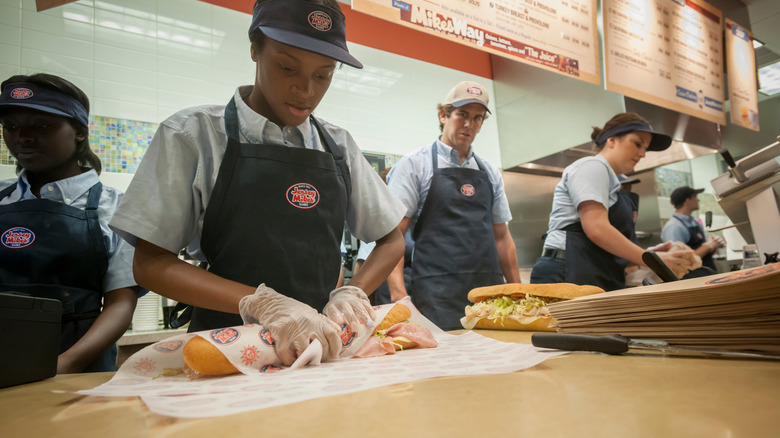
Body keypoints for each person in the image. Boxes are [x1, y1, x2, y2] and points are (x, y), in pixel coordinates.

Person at [108, 0, 405, 366]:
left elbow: (391, 239)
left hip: (324, 350)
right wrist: (262, 303)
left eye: (323, 75)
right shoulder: (193, 135)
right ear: (254, 48)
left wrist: (353, 292)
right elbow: (150, 263)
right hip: (230, 351)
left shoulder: (338, 145)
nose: (306, 90)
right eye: (286, 67)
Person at [0, 73, 139, 373]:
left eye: (41, 125)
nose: (22, 136)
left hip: (76, 373)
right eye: (10, 126)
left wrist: (62, 366)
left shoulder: (116, 207)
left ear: (78, 131)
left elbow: (120, 304)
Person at [386, 81, 520, 330]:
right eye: (462, 115)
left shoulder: (489, 172)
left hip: (488, 295)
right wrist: (399, 298)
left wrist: (519, 291)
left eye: (478, 118)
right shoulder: (415, 165)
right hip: (436, 294)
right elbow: (394, 237)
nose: (470, 125)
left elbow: (502, 238)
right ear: (443, 115)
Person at [530, 112, 695, 291]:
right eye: (638, 143)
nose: (642, 154)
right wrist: (651, 260)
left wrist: (651, 253)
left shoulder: (614, 183)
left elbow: (602, 249)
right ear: (612, 140)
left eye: (645, 149)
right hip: (567, 271)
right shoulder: (592, 166)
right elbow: (596, 228)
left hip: (592, 271)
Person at [661, 186, 725, 278]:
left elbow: (702, 253)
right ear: (687, 200)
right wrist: (708, 246)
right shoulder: (674, 227)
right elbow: (679, 260)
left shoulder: (695, 223)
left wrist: (714, 245)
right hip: (692, 278)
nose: (698, 200)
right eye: (695, 197)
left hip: (707, 274)